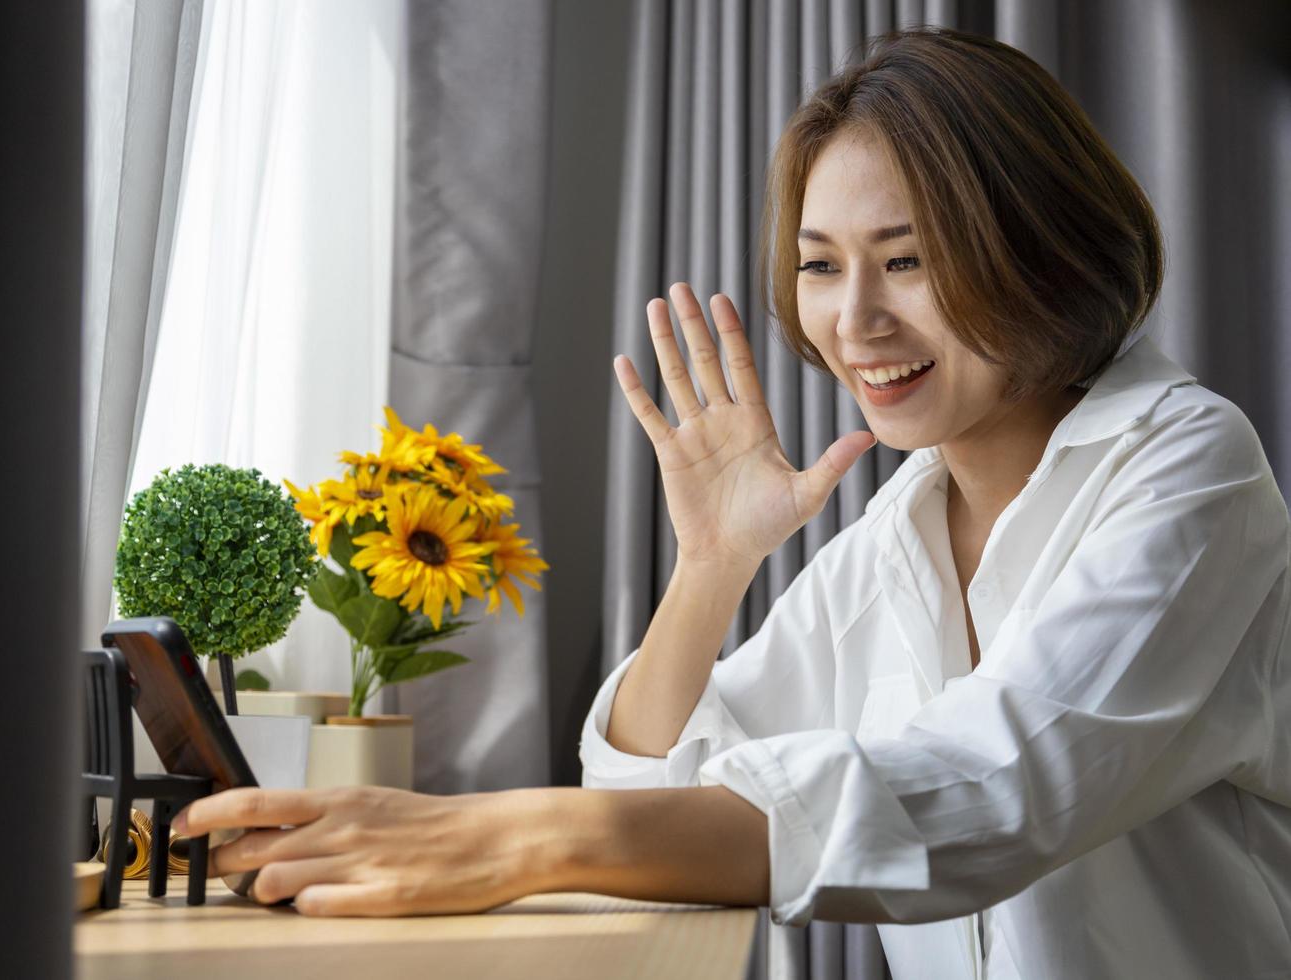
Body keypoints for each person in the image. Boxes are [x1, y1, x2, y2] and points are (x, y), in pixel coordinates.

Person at [168, 26, 1291, 979]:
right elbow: (655, 786)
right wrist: (708, 568)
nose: (853, 321)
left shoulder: (1189, 466)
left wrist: (502, 833)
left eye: (907, 260)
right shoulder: (898, 533)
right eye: (819, 265)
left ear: (1040, 249)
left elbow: (1000, 783)